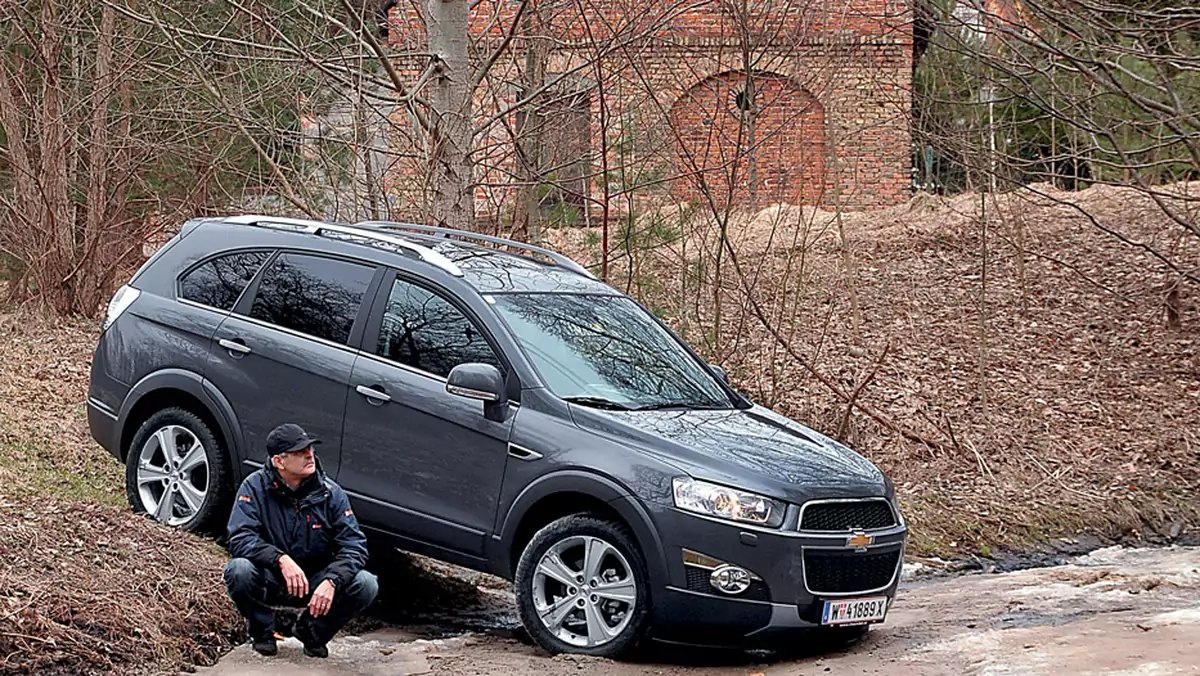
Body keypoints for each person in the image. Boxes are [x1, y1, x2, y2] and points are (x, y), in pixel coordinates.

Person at [222, 423, 378, 658]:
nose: (309, 455)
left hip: (316, 581)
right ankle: (263, 632)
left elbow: (354, 546)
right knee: (239, 570)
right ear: (279, 461)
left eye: (310, 449)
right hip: (272, 578)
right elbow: (240, 538)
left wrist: (332, 580)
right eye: (299, 451)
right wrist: (280, 559)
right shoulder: (254, 487)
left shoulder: (331, 493)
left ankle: (312, 633)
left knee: (366, 584)